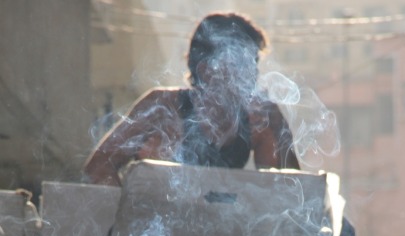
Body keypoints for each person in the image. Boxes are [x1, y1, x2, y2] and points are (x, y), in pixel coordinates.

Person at [83, 12, 300, 186]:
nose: (253, 74)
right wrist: (130, 216)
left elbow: (290, 191)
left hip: (218, 228)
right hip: (161, 230)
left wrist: (280, 127)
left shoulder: (257, 119)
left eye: (253, 62)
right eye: (240, 64)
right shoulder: (161, 107)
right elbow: (97, 169)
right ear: (206, 69)